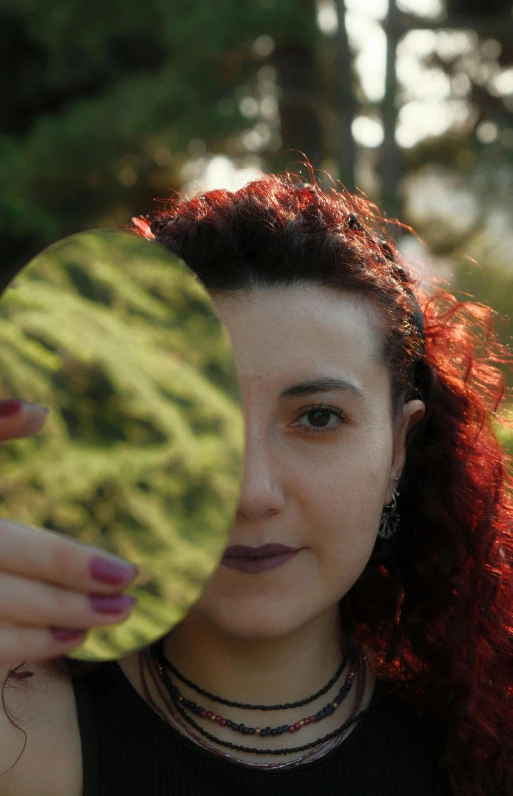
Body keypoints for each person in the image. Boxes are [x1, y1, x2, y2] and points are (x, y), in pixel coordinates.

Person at [0, 174, 511, 796]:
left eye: (318, 417)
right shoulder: (23, 733)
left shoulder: (482, 745)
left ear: (398, 448)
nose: (250, 492)